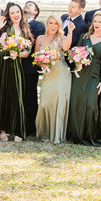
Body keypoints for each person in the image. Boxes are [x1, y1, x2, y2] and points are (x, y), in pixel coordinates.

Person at [0, 2, 32, 142]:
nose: (15, 15)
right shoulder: (4, 27)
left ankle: (17, 129)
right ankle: (2, 130)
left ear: (21, 13)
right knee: (1, 95)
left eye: (17, 12)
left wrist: (17, 54)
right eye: (12, 13)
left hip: (14, 63)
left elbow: (28, 51)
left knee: (15, 95)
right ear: (9, 15)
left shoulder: (25, 28)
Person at [66, 11, 101, 146]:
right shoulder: (84, 36)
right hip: (80, 73)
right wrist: (76, 60)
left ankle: (90, 135)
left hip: (94, 76)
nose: (96, 24)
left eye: (100, 22)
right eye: (95, 21)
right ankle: (76, 135)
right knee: (77, 103)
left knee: (91, 105)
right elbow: (74, 52)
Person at [34, 15, 72, 144]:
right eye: (51, 23)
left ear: (59, 26)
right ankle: (45, 133)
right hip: (47, 74)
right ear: (47, 24)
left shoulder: (62, 38)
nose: (53, 26)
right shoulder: (40, 38)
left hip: (61, 73)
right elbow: (35, 56)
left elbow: (66, 48)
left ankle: (56, 135)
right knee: (45, 102)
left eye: (56, 23)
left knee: (58, 102)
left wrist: (70, 31)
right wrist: (41, 63)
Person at [22, 0, 46, 136]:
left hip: (30, 68)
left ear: (36, 12)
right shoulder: (18, 23)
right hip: (16, 65)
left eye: (30, 5)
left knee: (30, 98)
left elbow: (34, 44)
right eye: (26, 4)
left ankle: (31, 128)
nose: (27, 5)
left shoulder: (39, 26)